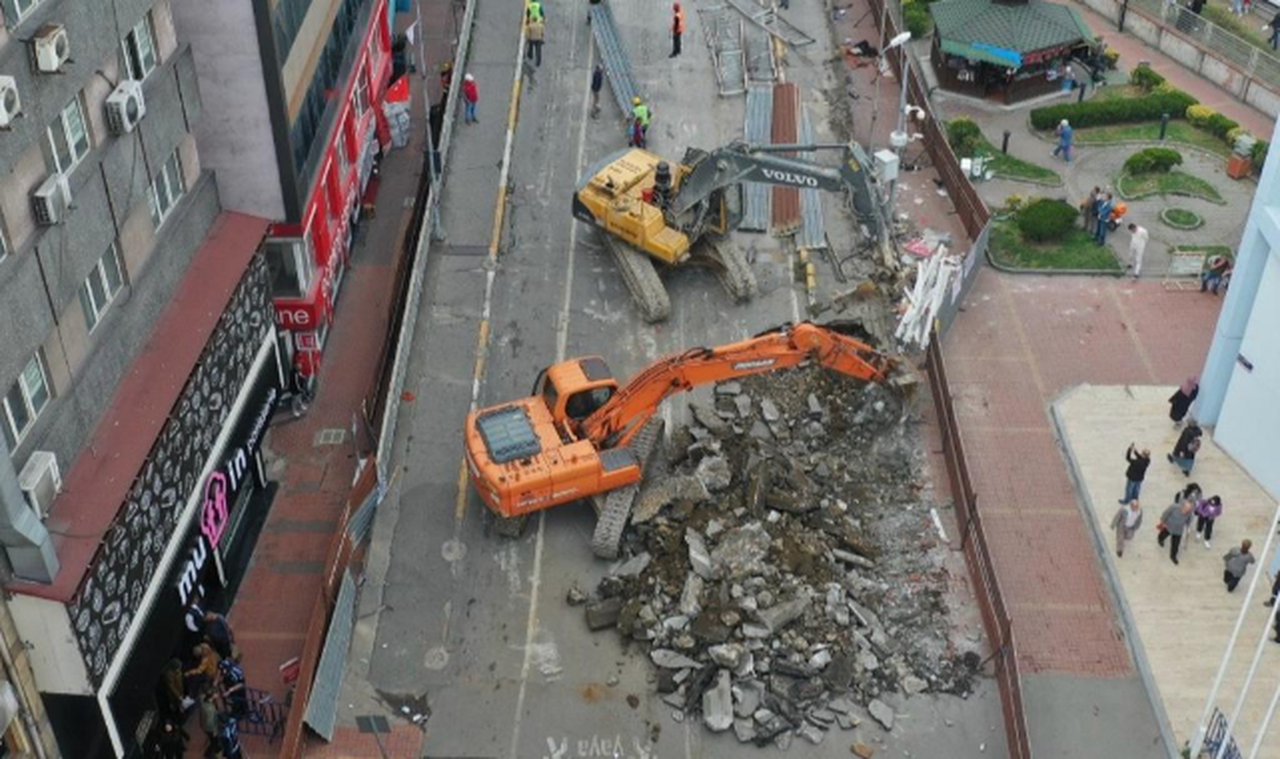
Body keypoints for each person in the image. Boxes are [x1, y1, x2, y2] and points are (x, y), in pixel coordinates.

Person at [1157, 498, 1195, 564]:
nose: (1186, 510)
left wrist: (1188, 527)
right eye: (1186, 507)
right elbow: (1165, 514)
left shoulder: (1190, 513)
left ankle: (1173, 556)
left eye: (1189, 509)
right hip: (1168, 526)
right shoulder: (1174, 507)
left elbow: (1188, 521)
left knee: (1176, 544)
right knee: (1163, 535)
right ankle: (1160, 539)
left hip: (1178, 530)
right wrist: (1162, 522)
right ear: (1183, 505)